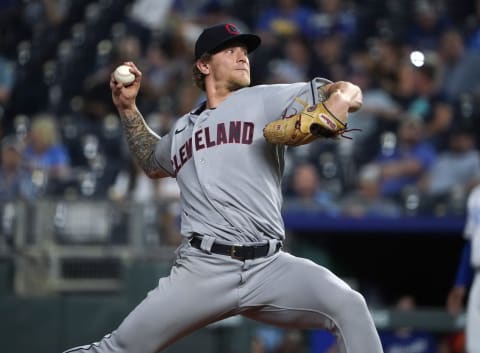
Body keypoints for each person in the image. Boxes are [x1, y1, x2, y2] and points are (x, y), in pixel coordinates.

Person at [63, 23, 383, 353]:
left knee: (350, 306)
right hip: (203, 269)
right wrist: (128, 109)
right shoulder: (182, 131)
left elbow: (345, 90)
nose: (242, 57)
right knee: (118, 348)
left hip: (270, 266)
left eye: (245, 52)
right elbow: (149, 160)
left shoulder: (264, 98)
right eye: (230, 51)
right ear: (203, 65)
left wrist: (339, 102)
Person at [446, 184, 480, 353]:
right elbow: (470, 242)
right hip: (478, 277)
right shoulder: (475, 196)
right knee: (474, 345)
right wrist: (460, 283)